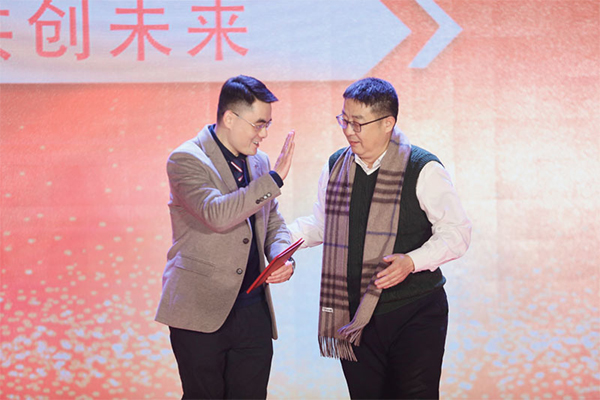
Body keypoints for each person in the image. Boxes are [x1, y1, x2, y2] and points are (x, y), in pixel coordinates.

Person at [289, 77, 471, 399]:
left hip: (415, 310)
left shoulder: (422, 168)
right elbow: (321, 225)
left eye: (358, 123)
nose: (348, 131)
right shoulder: (336, 166)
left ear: (388, 123)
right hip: (356, 314)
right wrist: (275, 242)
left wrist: (411, 262)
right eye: (344, 120)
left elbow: (456, 232)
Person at [155, 75, 296, 399]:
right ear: (230, 118)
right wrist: (274, 179)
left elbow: (271, 219)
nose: (263, 134)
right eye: (258, 125)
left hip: (252, 309)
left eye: (268, 125)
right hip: (199, 308)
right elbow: (217, 214)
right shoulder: (186, 159)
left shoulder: (259, 161)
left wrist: (282, 255)